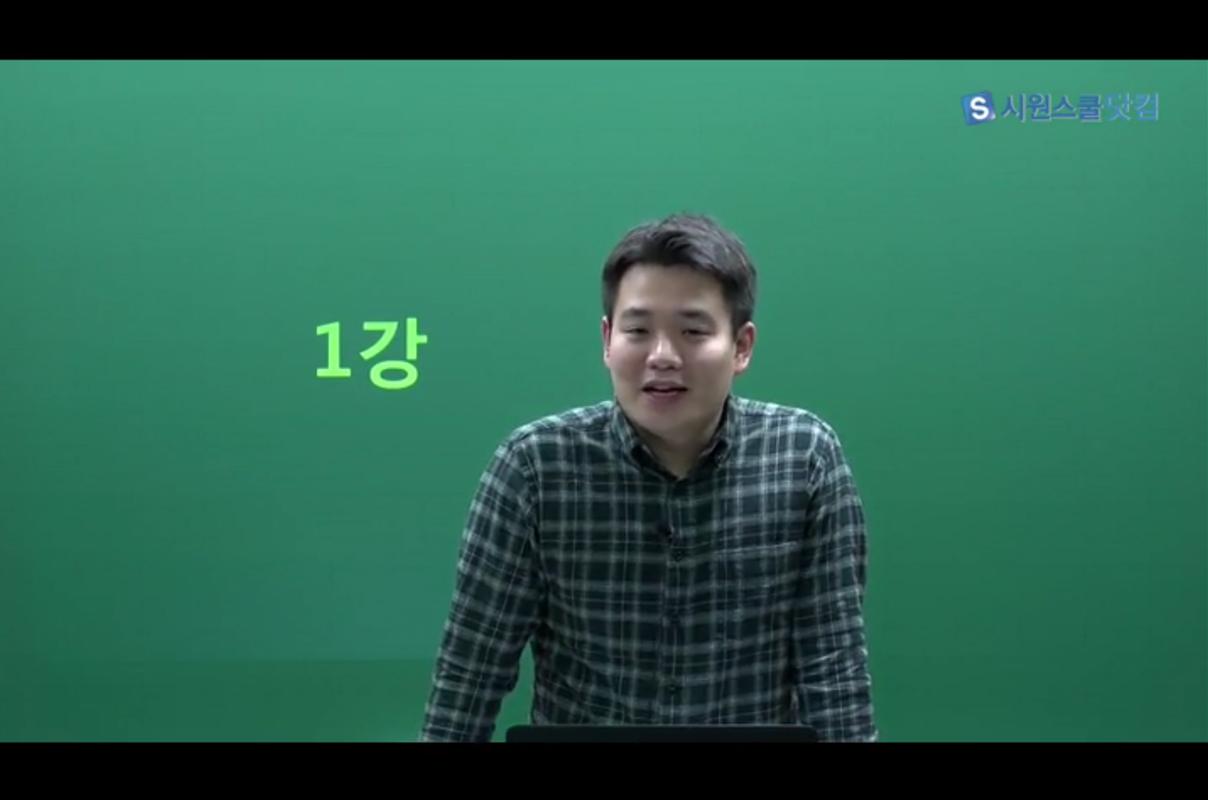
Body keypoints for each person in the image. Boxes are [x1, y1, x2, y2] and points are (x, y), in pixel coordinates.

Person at [420, 213, 876, 741]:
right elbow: (470, 674)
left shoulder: (804, 457)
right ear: (607, 340)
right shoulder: (534, 467)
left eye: (692, 331)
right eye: (638, 331)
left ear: (742, 346)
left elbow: (833, 667)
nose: (662, 357)